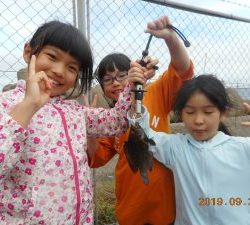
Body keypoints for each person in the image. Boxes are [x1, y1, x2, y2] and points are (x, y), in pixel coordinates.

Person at [0, 20, 147, 225]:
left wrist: (132, 84)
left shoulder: (74, 111)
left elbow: (117, 121)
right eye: (52, 56)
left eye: (72, 67)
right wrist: (28, 106)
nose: (60, 71)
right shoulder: (5, 106)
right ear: (28, 52)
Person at [88, 16, 194, 225]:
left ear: (134, 73)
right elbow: (96, 158)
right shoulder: (109, 121)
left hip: (165, 204)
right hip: (130, 207)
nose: (115, 83)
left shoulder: (155, 93)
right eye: (107, 79)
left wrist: (170, 39)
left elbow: (183, 72)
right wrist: (90, 128)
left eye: (121, 75)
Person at [128, 74, 250, 225]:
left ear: (222, 113)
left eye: (208, 112)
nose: (198, 120)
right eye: (190, 112)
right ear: (181, 114)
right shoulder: (175, 147)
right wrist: (136, 99)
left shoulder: (243, 148)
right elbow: (142, 133)